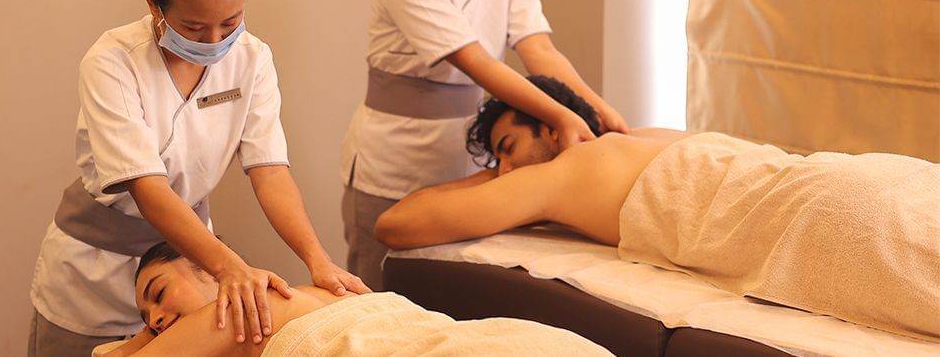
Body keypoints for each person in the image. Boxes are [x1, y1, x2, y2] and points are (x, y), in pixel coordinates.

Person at [374, 75, 940, 342]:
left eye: (506, 150)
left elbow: (397, 223)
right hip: (865, 176)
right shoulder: (652, 134)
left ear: (551, 125)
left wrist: (479, 182)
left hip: (831, 219)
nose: (503, 175)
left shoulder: (566, 171)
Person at [28, 0, 368, 357]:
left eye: (230, 22)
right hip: (97, 270)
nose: (214, 42)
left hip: (191, 266)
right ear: (154, 4)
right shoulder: (112, 62)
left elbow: (270, 172)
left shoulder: (253, 59)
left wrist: (316, 259)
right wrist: (232, 268)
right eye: (193, 28)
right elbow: (148, 187)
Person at [340, 0, 628, 290]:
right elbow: (477, 63)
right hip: (397, 157)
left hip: (469, 159)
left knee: (449, 298)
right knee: (380, 296)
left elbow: (540, 49)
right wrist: (565, 117)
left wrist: (599, 112)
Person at [94, 241, 610, 356]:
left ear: (214, 268)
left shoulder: (245, 304)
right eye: (145, 316)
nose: (156, 318)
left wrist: (141, 337)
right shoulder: (311, 290)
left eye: (158, 295)